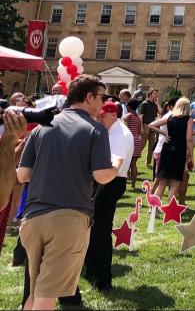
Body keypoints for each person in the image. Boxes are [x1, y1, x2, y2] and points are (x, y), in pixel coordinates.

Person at [17, 75, 120, 310]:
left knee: (34, 293)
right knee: (46, 297)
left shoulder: (42, 127)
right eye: (101, 97)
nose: (103, 103)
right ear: (89, 97)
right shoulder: (96, 130)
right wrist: (116, 165)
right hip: (68, 219)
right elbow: (102, 176)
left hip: (32, 219)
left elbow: (22, 175)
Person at [84, 101, 134, 291]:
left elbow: (114, 165)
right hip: (103, 179)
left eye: (102, 115)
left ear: (113, 114)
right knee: (94, 226)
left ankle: (103, 277)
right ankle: (92, 269)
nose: (99, 118)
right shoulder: (110, 130)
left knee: (101, 229)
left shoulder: (121, 134)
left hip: (111, 181)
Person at [149, 97, 193, 201]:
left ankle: (153, 209)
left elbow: (151, 125)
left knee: (162, 182)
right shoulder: (188, 119)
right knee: (175, 183)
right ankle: (170, 210)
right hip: (179, 150)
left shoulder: (170, 117)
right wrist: (191, 155)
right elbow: (189, 139)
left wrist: (163, 133)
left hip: (167, 149)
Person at [124, 98, 143, 189]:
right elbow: (139, 132)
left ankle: (124, 182)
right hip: (137, 140)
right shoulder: (138, 118)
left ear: (129, 106)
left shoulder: (128, 116)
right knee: (133, 164)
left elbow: (125, 129)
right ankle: (133, 185)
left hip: (129, 140)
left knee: (127, 163)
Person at [139, 88, 160, 163]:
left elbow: (160, 112)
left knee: (152, 146)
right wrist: (141, 127)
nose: (156, 95)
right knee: (142, 144)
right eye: (154, 93)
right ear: (150, 94)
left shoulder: (155, 104)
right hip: (145, 125)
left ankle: (148, 162)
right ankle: (133, 159)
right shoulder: (144, 103)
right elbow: (141, 116)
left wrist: (157, 103)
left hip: (153, 126)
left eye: (156, 94)